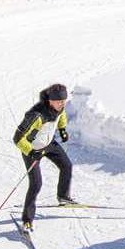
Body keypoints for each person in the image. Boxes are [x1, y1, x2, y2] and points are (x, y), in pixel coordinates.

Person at [12, 83, 75, 232]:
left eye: (64, 101)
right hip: (32, 149)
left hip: (49, 144)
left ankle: (63, 197)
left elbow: (61, 116)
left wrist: (62, 129)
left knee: (67, 165)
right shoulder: (36, 115)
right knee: (36, 184)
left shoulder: (60, 108)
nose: (62, 104)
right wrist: (31, 152)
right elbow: (17, 138)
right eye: (59, 101)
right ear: (50, 100)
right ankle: (27, 221)